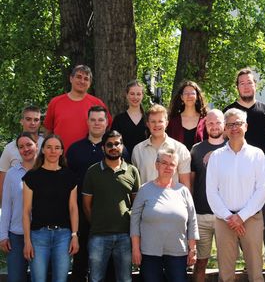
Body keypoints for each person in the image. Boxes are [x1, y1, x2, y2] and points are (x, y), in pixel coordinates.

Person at [224, 68, 265, 269]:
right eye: (242, 83)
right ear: (237, 87)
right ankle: (247, 259)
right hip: (236, 173)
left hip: (262, 173)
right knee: (240, 216)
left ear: (255, 85)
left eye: (249, 82)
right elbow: (222, 141)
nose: (246, 86)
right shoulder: (229, 111)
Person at [206, 108, 265, 282]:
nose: (234, 128)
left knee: (256, 273)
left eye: (238, 123)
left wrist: (241, 216)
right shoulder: (216, 157)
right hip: (223, 220)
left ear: (246, 126)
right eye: (230, 125)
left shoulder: (257, 154)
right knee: (225, 275)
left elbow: (262, 190)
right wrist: (229, 217)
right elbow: (211, 191)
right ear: (225, 129)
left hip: (251, 219)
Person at [67, 105, 120, 282]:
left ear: (107, 122)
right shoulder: (75, 150)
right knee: (80, 262)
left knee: (110, 266)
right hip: (82, 216)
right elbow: (69, 184)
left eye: (101, 120)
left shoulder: (118, 149)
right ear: (87, 122)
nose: (97, 123)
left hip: (110, 218)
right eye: (93, 120)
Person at [131, 148, 199, 282]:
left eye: (172, 164)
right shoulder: (144, 190)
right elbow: (134, 221)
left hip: (178, 252)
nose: (168, 167)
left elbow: (192, 221)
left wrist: (193, 249)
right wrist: (135, 249)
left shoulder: (183, 191)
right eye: (164, 163)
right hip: (149, 252)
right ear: (157, 165)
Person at [82, 130, 140, 282]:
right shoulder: (92, 172)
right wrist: (96, 223)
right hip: (98, 235)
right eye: (109, 144)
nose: (113, 147)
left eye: (117, 144)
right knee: (95, 278)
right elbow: (87, 205)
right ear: (103, 148)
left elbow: (136, 204)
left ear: (122, 146)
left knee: (125, 279)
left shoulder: (132, 171)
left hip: (125, 236)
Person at [22, 134, 79, 282]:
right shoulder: (32, 176)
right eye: (49, 147)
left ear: (61, 152)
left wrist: (74, 236)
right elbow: (26, 211)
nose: (53, 151)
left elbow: (73, 208)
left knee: (60, 279)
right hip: (38, 236)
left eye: (57, 148)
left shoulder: (70, 176)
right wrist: (27, 241)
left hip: (64, 236)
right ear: (43, 150)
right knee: (38, 279)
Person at [190, 109, 226, 282]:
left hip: (226, 216)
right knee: (200, 263)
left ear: (224, 124)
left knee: (227, 264)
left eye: (218, 122)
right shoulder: (196, 150)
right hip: (201, 214)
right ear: (205, 125)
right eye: (210, 123)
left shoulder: (232, 147)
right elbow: (190, 183)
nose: (214, 126)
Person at [43, 64, 112, 152]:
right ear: (71, 78)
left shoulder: (97, 103)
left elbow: (108, 126)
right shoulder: (55, 102)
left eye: (86, 79)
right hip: (60, 158)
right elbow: (48, 131)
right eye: (79, 77)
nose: (82, 81)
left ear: (90, 83)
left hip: (89, 156)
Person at [0, 132, 38, 282]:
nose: (26, 149)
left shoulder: (45, 171)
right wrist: (3, 235)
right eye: (21, 147)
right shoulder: (12, 173)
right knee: (15, 278)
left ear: (36, 146)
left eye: (29, 144)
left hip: (40, 234)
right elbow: (6, 206)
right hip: (16, 235)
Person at [132, 104, 191, 188]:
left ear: (166, 123)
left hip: (171, 200)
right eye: (153, 121)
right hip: (146, 200)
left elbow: (185, 185)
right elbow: (135, 184)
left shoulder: (180, 149)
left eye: (160, 121)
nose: (156, 125)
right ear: (148, 124)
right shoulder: (138, 150)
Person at [0, 105, 43, 201]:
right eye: (28, 119)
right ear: (21, 121)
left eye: (36, 120)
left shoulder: (47, 145)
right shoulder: (9, 148)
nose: (32, 123)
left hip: (43, 202)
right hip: (17, 204)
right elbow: (2, 183)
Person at [167, 81, 208, 150]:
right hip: (178, 160)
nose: (189, 96)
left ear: (197, 97)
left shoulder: (205, 121)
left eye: (192, 93)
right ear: (181, 97)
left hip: (200, 160)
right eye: (186, 93)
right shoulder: (173, 121)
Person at [111, 80, 147, 158]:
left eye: (138, 94)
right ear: (127, 95)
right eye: (132, 94)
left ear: (142, 96)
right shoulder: (119, 120)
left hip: (145, 162)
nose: (135, 97)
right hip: (124, 163)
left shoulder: (148, 118)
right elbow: (114, 143)